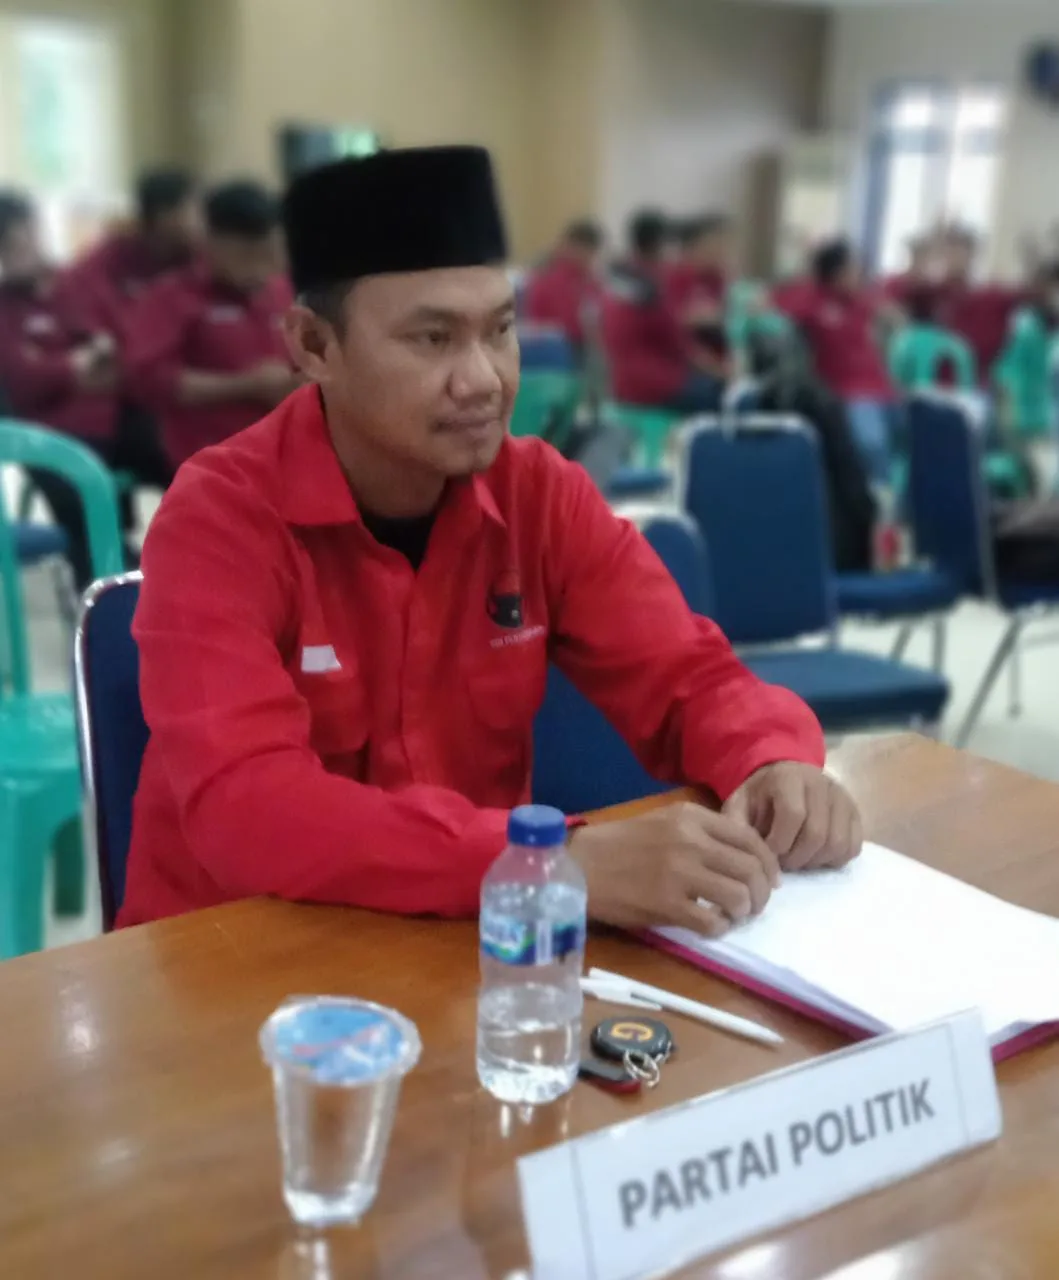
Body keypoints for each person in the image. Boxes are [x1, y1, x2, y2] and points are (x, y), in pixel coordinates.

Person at [119, 146, 861, 932]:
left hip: (465, 945)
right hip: (241, 953)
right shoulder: (220, 517)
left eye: (500, 330)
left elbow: (686, 675)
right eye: (432, 339)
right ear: (313, 346)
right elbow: (247, 808)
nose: (482, 380)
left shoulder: (538, 497)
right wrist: (549, 866)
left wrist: (769, 757)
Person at [0, 190, 148, 588]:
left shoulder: (76, 285)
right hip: (48, 438)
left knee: (184, 453)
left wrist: (61, 365)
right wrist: (78, 363)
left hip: (112, 419)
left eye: (27, 236)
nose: (26, 250)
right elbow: (24, 381)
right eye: (11, 245)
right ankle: (121, 593)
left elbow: (119, 347)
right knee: (86, 511)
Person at [124, 180, 297, 470]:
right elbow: (150, 381)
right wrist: (246, 386)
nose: (260, 270)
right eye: (246, 256)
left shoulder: (280, 291)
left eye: (268, 255)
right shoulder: (170, 298)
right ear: (210, 242)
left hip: (284, 454)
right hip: (208, 462)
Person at [777, 238, 897, 486]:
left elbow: (894, 316)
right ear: (835, 272)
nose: (859, 274)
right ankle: (877, 498)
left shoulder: (862, 301)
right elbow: (770, 308)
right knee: (871, 443)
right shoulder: (810, 299)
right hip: (846, 391)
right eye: (852, 268)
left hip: (884, 390)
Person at [600, 209, 726, 412]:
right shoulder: (650, 289)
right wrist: (722, 371)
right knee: (722, 396)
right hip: (656, 385)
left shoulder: (620, 278)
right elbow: (680, 345)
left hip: (622, 380)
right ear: (660, 246)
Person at [66, 167, 201, 336]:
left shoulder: (202, 263)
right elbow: (74, 288)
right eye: (194, 213)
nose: (201, 224)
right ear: (164, 216)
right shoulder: (111, 259)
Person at [935, 225, 1026, 384]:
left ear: (973, 255)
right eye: (950, 251)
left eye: (961, 251)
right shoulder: (927, 294)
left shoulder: (991, 297)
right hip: (930, 381)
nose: (955, 258)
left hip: (976, 383)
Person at [523, 219, 603, 354]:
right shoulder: (547, 276)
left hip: (581, 345)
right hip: (551, 347)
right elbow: (536, 321)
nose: (589, 258)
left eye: (592, 253)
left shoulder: (591, 280)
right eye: (585, 251)